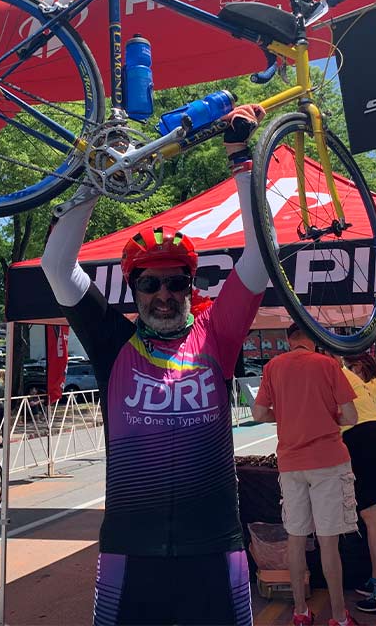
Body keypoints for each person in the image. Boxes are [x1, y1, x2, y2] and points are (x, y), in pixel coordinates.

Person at [41, 103, 268, 626]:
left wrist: (242, 157)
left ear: (191, 287)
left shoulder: (219, 335)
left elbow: (259, 256)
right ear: (134, 290)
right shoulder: (111, 342)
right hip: (129, 550)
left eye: (175, 282)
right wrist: (99, 174)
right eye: (149, 283)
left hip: (215, 546)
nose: (163, 294)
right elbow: (57, 266)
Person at [252, 324, 360, 626]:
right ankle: (339, 616)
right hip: (328, 461)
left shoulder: (273, 367)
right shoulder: (327, 365)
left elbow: (259, 413)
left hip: (291, 464)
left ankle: (300, 612)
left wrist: (283, 415)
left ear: (289, 341)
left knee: (295, 539)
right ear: (313, 340)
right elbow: (351, 416)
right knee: (329, 543)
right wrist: (328, 417)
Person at [341, 357, 376, 614]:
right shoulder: (343, 373)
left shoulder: (330, 373)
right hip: (371, 436)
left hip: (362, 439)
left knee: (373, 517)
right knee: (372, 516)